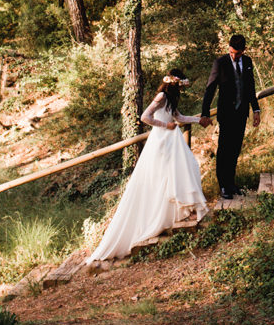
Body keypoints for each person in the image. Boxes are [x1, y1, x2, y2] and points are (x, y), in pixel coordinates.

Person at [85, 71, 208, 264]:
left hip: (171, 139)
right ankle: (171, 211)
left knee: (185, 167)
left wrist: (197, 120)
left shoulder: (172, 97)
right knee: (165, 176)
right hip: (161, 140)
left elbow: (179, 117)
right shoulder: (161, 96)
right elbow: (145, 117)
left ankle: (178, 209)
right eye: (181, 85)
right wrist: (164, 125)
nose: (181, 89)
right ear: (174, 83)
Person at [200, 34, 260, 200]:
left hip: (241, 112)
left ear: (243, 51)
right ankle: (223, 186)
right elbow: (210, 88)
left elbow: (250, 87)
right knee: (224, 149)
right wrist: (205, 112)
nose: (234, 56)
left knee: (235, 148)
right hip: (226, 113)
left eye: (237, 54)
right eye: (231, 52)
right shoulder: (220, 63)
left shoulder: (247, 62)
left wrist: (256, 110)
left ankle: (232, 183)